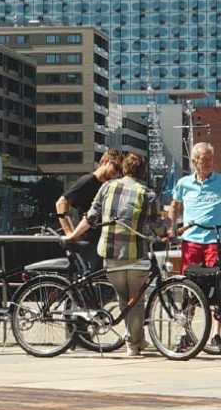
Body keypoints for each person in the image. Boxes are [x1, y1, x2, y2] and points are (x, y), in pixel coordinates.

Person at [62, 150, 165, 356]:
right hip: (135, 254)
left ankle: (136, 340)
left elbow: (91, 216)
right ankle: (133, 344)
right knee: (136, 299)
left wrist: (72, 234)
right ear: (143, 172)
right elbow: (157, 226)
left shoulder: (107, 187)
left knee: (122, 296)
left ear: (124, 169)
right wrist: (167, 232)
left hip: (108, 252)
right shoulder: (148, 193)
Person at [169, 142, 221, 271]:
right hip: (190, 241)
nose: (208, 163)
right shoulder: (183, 183)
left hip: (216, 242)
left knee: (217, 281)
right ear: (194, 161)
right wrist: (171, 227)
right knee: (190, 281)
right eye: (204, 159)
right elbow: (174, 206)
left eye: (210, 159)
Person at [57, 150, 122, 275]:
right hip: (85, 243)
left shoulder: (105, 186)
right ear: (105, 162)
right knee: (86, 283)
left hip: (98, 242)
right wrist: (69, 233)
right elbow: (61, 202)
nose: (117, 173)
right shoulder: (88, 181)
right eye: (116, 167)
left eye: (120, 170)